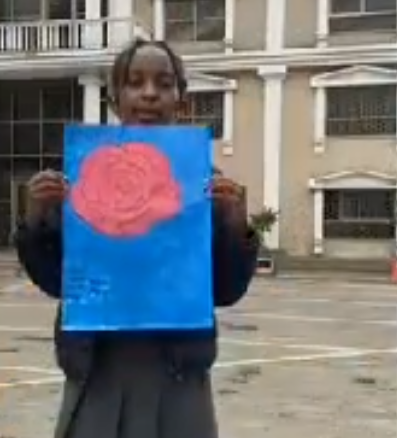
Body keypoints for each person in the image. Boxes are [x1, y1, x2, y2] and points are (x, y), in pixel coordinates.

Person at [15, 38, 259, 438]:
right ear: (115, 100)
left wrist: (235, 227)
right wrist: (36, 219)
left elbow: (227, 291)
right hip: (98, 370)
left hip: (178, 375)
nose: (149, 94)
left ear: (181, 100)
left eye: (164, 83)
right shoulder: (81, 176)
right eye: (134, 82)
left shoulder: (205, 185)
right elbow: (55, 281)